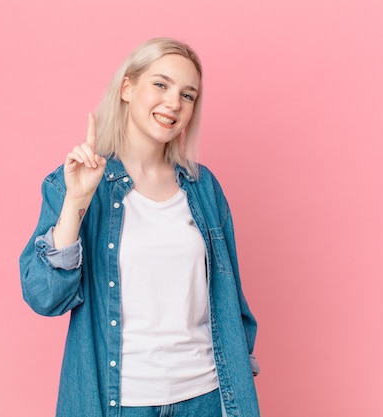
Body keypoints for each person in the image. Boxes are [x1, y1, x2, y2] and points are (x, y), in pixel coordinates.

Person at [20, 37, 260, 417]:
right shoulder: (75, 182)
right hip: (121, 402)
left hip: (210, 397)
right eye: (161, 84)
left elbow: (232, 302)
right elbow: (44, 297)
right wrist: (75, 203)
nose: (173, 103)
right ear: (127, 88)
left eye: (188, 95)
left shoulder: (204, 188)